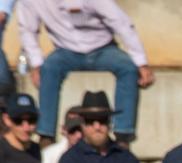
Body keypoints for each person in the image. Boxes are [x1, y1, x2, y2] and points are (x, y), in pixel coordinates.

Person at [16, 0, 153, 145]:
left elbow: (121, 23)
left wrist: (141, 63)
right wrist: (36, 64)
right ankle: (46, 136)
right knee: (48, 69)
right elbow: (27, 30)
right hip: (65, 50)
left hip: (102, 47)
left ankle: (123, 135)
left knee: (128, 68)